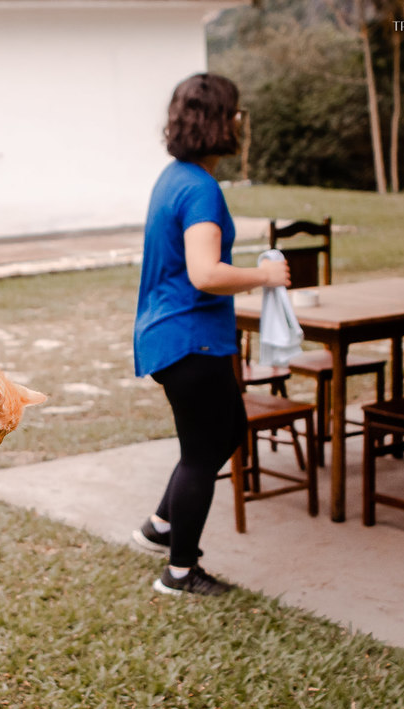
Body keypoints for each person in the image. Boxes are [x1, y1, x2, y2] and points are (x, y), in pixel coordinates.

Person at [131, 73, 290, 597]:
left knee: (214, 436)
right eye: (237, 111)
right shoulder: (200, 188)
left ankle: (160, 525)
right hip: (191, 338)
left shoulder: (174, 177)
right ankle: (180, 572)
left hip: (168, 334)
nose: (241, 120)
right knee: (209, 446)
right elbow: (205, 273)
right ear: (222, 121)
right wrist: (266, 276)